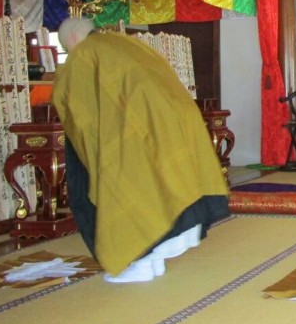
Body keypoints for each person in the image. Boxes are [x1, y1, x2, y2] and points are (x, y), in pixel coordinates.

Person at [53, 17, 230, 284]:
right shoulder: (124, 42)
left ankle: (141, 262)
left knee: (132, 186)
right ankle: (156, 258)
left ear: (73, 40)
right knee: (168, 185)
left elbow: (78, 109)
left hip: (137, 126)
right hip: (175, 117)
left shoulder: (84, 54)